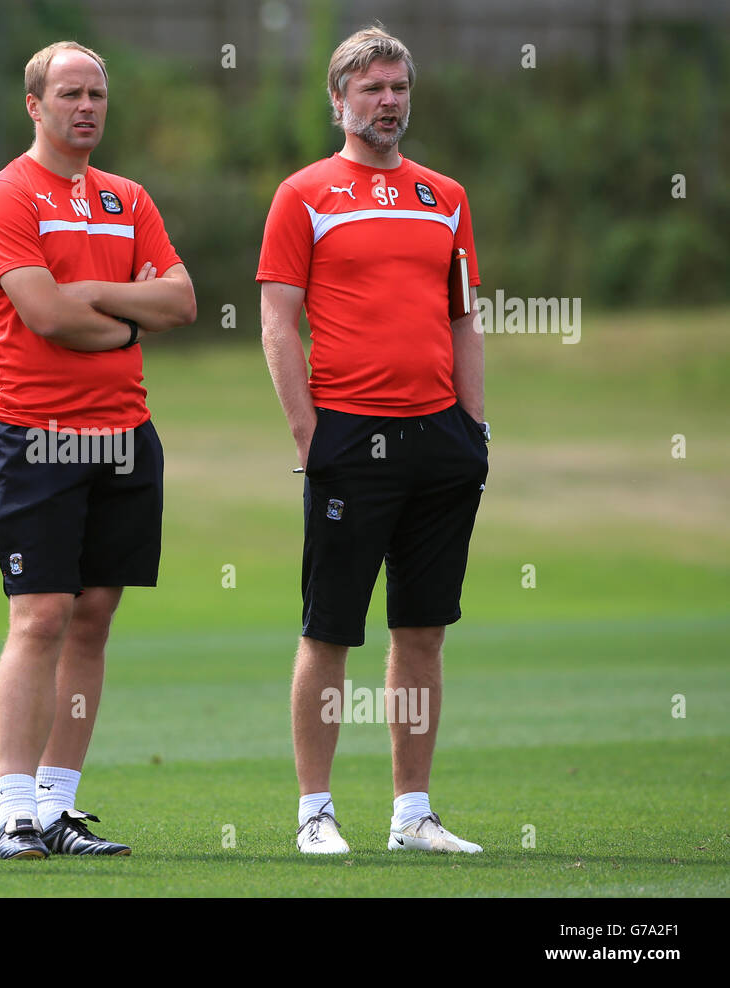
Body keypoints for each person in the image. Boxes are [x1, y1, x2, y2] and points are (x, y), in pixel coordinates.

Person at [257, 26, 489, 855]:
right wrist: (309, 434)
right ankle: (315, 812)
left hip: (441, 441)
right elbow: (278, 323)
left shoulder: (446, 197)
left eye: (397, 87)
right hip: (350, 438)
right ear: (339, 100)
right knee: (329, 631)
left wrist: (476, 427)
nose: (387, 100)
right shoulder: (305, 194)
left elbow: (465, 317)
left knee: (421, 630)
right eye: (370, 89)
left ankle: (411, 815)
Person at [0, 41, 196, 859]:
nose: (87, 106)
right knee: (40, 617)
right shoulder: (3, 197)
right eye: (70, 93)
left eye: (97, 93)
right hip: (37, 436)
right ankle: (16, 811)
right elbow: (44, 315)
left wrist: (98, 295)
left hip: (126, 435)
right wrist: (125, 318)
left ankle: (61, 808)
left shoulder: (128, 199)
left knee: (94, 617)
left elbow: (183, 300)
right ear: (35, 104)